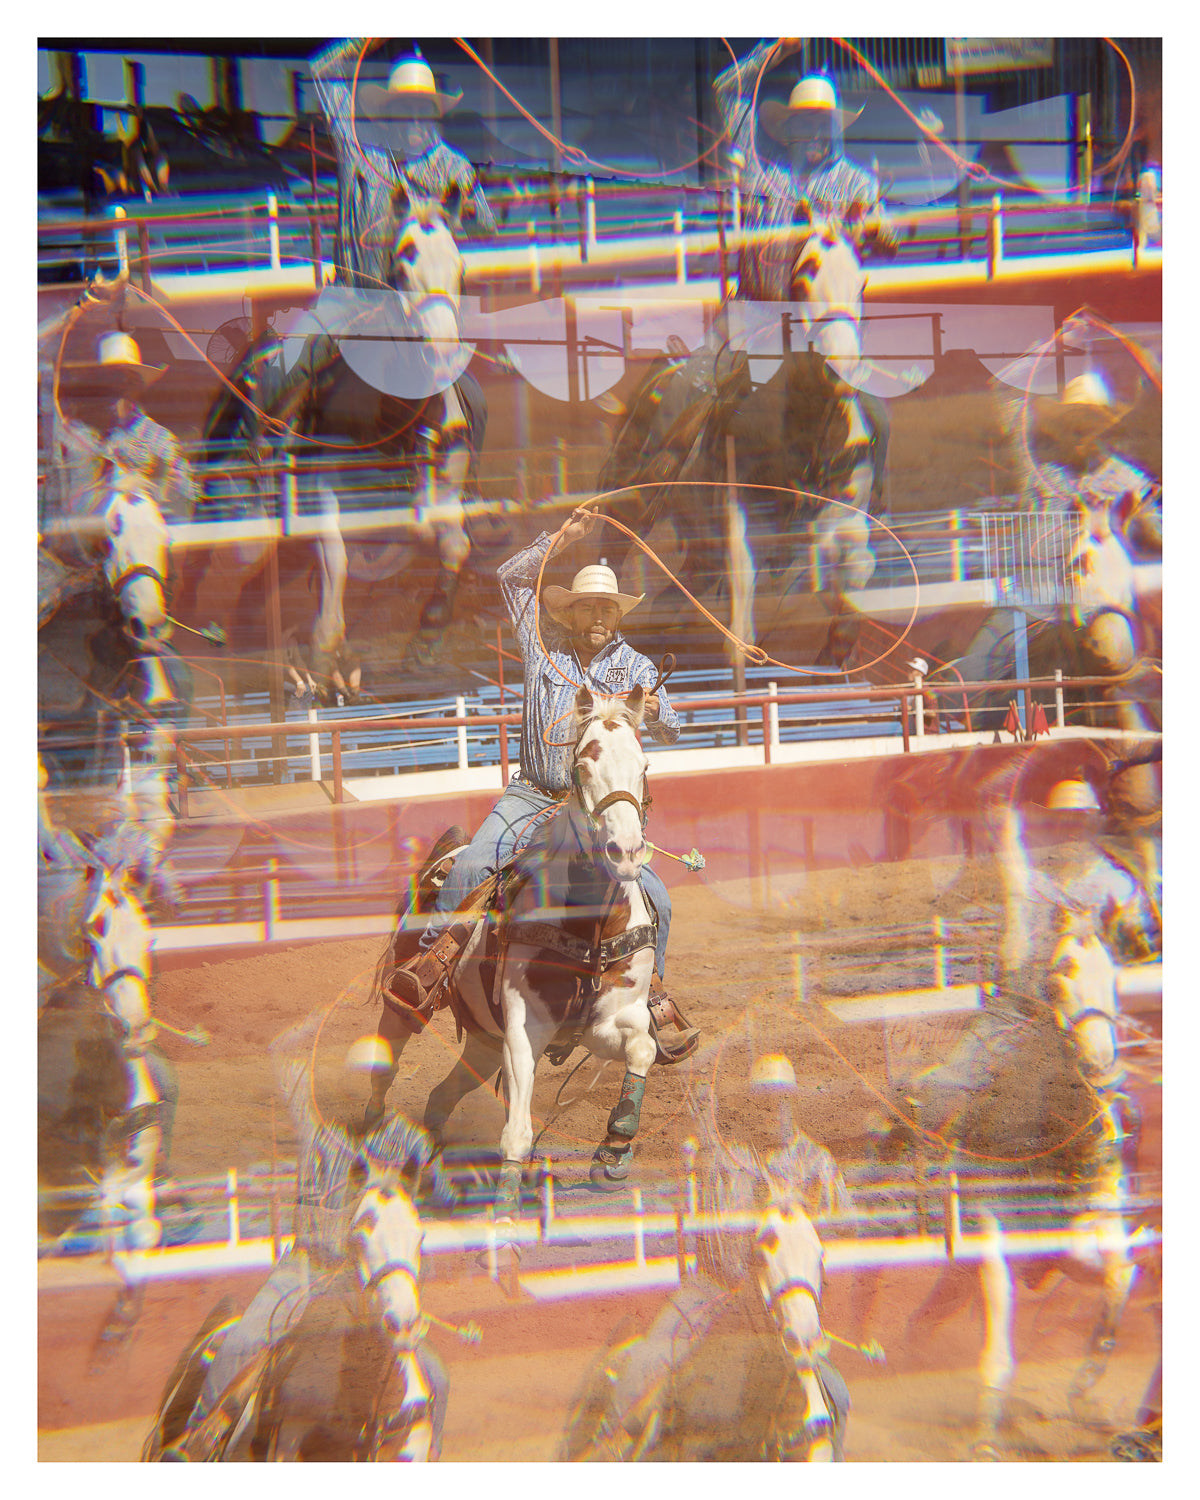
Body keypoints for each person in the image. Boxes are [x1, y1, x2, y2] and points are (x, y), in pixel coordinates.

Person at [386, 509, 698, 1061]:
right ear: (572, 612)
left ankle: (650, 998)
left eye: (606, 607)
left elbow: (673, 725)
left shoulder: (637, 667)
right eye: (587, 607)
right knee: (469, 867)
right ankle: (430, 967)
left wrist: (653, 710)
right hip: (532, 794)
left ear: (617, 612)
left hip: (596, 814)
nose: (597, 615)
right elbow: (509, 578)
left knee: (661, 903)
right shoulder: (543, 647)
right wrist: (560, 539)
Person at [713, 41, 895, 302]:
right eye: (804, 123)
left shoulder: (857, 183)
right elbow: (726, 91)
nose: (814, 133)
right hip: (756, 319)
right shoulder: (761, 168)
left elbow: (890, 245)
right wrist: (776, 50)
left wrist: (870, 226)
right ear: (788, 127)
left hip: (822, 326)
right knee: (709, 342)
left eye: (822, 123)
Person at [310, 39, 497, 291]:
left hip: (421, 310)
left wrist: (468, 209)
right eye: (405, 108)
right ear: (388, 113)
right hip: (351, 302)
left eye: (423, 109)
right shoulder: (359, 149)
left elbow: (487, 231)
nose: (415, 119)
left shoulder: (454, 167)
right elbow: (323, 70)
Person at [47, 329, 195, 522]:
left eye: (124, 379)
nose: (116, 388)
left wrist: (161, 488)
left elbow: (185, 504)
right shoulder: (77, 434)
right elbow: (74, 506)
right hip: (91, 544)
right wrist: (115, 490)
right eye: (108, 379)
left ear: (136, 385)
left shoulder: (160, 440)